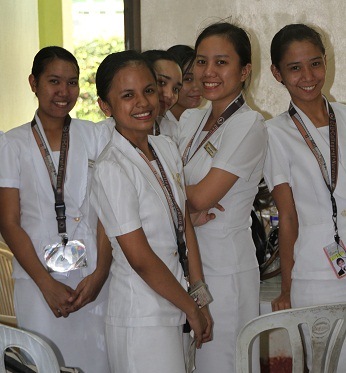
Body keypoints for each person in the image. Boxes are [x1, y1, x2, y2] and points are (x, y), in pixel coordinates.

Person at [91, 50, 213, 373]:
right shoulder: (111, 168)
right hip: (142, 319)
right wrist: (191, 307)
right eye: (127, 96)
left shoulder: (164, 148)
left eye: (148, 90)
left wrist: (198, 295)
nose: (143, 103)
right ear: (106, 106)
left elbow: (183, 221)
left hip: (177, 305)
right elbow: (140, 258)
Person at [0, 46, 112, 373]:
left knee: (98, 363)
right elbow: (8, 222)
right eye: (54, 81)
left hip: (92, 280)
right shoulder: (12, 143)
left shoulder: (95, 136)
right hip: (37, 282)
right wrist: (45, 283)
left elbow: (108, 212)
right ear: (33, 83)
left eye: (72, 82)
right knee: (44, 363)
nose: (64, 92)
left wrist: (100, 274)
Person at [177, 22, 267, 372]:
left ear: (244, 71)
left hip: (225, 271)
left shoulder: (249, 124)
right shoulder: (191, 120)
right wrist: (185, 208)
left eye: (221, 62)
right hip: (187, 265)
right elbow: (187, 198)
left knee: (224, 363)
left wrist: (180, 202)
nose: (208, 72)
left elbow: (200, 197)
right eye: (201, 62)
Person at [264, 23, 346, 371]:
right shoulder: (274, 132)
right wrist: (287, 288)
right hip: (314, 275)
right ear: (277, 73)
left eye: (315, 63)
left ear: (326, 62)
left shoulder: (344, 115)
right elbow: (288, 216)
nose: (308, 76)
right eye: (294, 68)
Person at [141, 49, 182, 139]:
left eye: (175, 89)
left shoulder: (173, 130)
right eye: (161, 82)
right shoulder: (106, 132)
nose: (170, 94)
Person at [166, 45, 203, 124]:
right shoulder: (156, 126)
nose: (197, 87)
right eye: (188, 79)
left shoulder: (202, 121)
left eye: (201, 78)